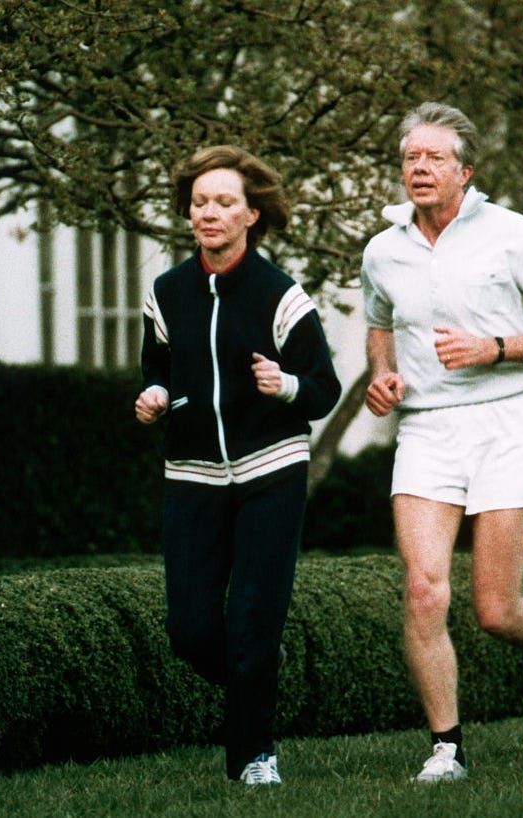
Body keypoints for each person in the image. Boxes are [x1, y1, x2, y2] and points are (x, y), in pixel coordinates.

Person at [361, 102, 523, 783]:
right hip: (427, 428)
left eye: (433, 158)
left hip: (505, 421)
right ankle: (447, 749)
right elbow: (377, 321)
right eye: (410, 158)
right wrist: (381, 376)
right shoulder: (382, 248)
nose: (419, 168)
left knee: (493, 609)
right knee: (423, 591)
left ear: (466, 172)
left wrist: (492, 348)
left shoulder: (510, 233)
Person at [135, 145, 341, 786]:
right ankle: (259, 670)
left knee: (252, 617)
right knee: (190, 630)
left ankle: (255, 757)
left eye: (224, 202)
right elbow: (158, 368)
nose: (209, 213)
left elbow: (325, 389)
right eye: (200, 202)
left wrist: (285, 386)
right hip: (193, 478)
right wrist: (156, 396)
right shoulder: (166, 293)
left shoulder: (281, 295)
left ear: (252, 214)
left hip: (271, 473)